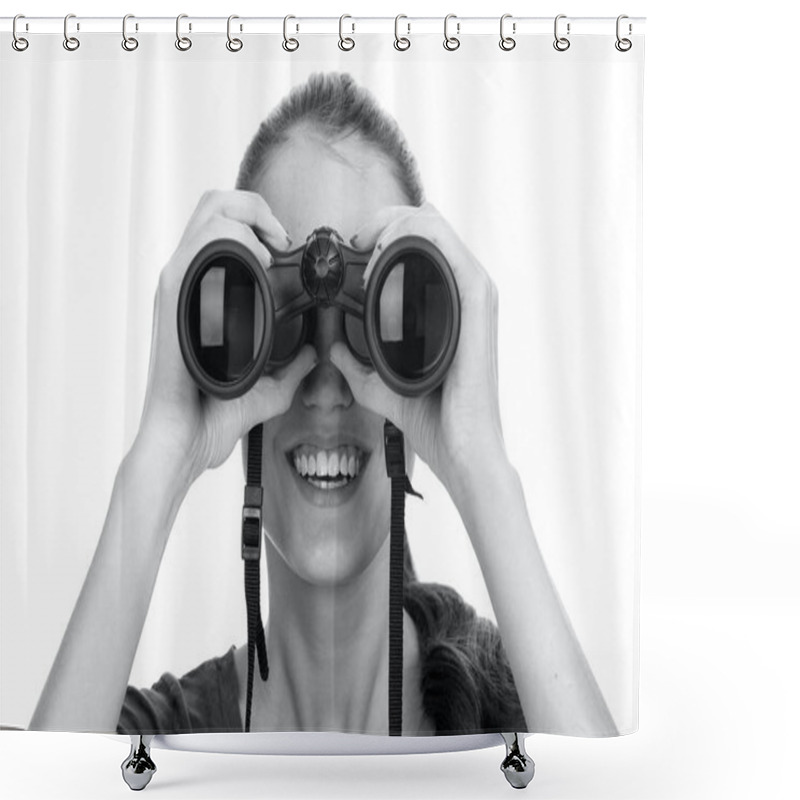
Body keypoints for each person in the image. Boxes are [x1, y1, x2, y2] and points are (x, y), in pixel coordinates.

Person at [29, 73, 617, 737]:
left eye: (376, 325)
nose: (329, 386)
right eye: (284, 323)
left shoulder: (519, 713)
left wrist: (484, 469)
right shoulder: (157, 740)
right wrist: (159, 458)